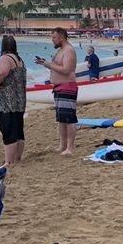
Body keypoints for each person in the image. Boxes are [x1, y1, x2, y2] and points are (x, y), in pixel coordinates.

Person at [36, 27, 78, 155]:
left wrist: (48, 65)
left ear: (61, 37)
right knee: (61, 119)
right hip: (58, 87)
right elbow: (56, 67)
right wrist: (45, 63)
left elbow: (66, 70)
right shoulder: (60, 51)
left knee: (69, 118)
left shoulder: (69, 50)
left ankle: (70, 147)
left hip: (67, 86)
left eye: (54, 37)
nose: (52, 40)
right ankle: (62, 145)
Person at [0, 35, 27, 165]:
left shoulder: (5, 58)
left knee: (8, 131)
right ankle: (17, 158)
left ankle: (9, 161)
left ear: (3, 47)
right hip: (18, 100)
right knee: (18, 130)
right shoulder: (19, 60)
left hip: (5, 101)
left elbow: (2, 72)